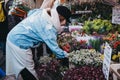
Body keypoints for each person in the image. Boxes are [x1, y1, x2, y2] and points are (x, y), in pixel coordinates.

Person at [6, 5, 71, 80]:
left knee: (19, 65)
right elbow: (55, 49)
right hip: (19, 42)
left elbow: (31, 12)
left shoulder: (43, 13)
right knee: (27, 68)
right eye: (65, 20)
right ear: (61, 17)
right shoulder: (48, 27)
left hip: (14, 36)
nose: (64, 23)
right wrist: (68, 56)